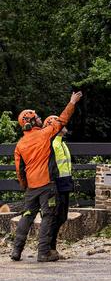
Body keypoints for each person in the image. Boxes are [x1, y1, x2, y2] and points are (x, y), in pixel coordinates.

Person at [11, 91, 83, 262]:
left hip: (31, 187)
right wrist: (72, 102)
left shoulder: (20, 144)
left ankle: (16, 250)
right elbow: (62, 120)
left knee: (27, 216)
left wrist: (25, 185)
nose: (39, 118)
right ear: (31, 121)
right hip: (46, 185)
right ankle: (43, 252)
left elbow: (19, 169)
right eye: (36, 117)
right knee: (48, 216)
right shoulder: (44, 135)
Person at [43, 115, 73, 256]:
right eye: (61, 124)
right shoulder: (53, 144)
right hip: (57, 184)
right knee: (55, 217)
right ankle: (49, 248)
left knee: (62, 217)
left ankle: (51, 247)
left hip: (65, 182)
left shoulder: (61, 142)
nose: (64, 125)